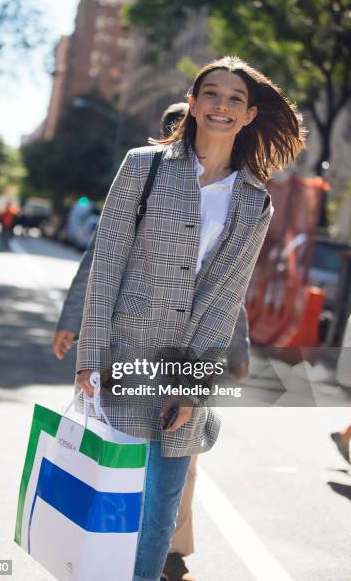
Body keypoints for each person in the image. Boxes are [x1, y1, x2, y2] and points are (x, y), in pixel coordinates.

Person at [75, 55, 306, 581]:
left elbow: (225, 299)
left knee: (159, 516)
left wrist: (194, 389)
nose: (222, 105)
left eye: (234, 99)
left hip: (186, 367)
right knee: (113, 504)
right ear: (195, 103)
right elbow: (106, 265)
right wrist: (90, 359)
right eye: (212, 94)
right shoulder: (144, 166)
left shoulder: (254, 200)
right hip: (125, 356)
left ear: (248, 115)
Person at [54, 102, 250, 581]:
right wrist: (76, 324)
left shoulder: (240, 196)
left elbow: (231, 287)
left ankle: (166, 553)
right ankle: (101, 556)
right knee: (118, 463)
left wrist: (229, 353)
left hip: (190, 353)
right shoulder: (144, 176)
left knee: (176, 469)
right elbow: (103, 256)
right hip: (131, 347)